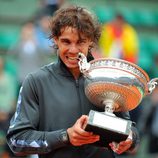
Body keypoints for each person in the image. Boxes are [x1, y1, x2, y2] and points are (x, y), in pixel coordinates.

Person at [6, 6, 139, 158]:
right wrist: (65, 136)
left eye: (81, 42)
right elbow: (16, 140)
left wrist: (130, 139)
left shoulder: (110, 78)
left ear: (91, 42)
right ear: (55, 39)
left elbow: (131, 130)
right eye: (66, 42)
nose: (73, 50)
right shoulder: (36, 82)